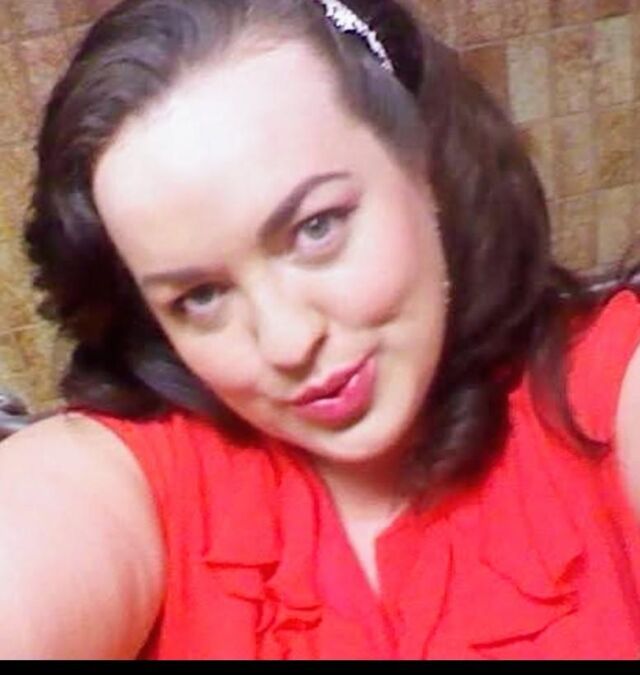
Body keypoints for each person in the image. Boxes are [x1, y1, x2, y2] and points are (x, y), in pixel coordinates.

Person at [1, 0, 640, 659]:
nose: (287, 342)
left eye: (316, 228)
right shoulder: (132, 477)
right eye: (201, 296)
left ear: (425, 169)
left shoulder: (608, 381)